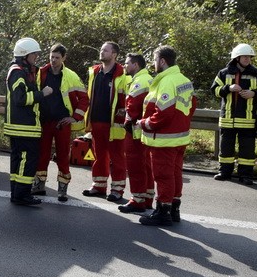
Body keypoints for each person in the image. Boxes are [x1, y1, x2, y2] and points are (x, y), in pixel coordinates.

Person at [135, 45, 195, 226]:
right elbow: (191, 107)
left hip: (164, 138)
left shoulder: (167, 81)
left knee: (163, 176)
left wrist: (145, 123)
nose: (153, 64)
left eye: (154, 60)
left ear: (162, 61)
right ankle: (174, 208)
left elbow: (163, 113)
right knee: (175, 174)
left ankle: (163, 212)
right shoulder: (183, 79)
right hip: (179, 137)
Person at [32, 43, 88, 202]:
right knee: (42, 155)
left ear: (64, 58)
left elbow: (84, 99)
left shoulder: (71, 76)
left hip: (62, 123)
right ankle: (39, 185)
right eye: (52, 57)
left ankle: (62, 189)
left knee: (63, 156)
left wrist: (75, 117)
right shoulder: (41, 73)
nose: (54, 60)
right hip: (44, 121)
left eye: (57, 57)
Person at [209, 44, 257, 186]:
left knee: (247, 150)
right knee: (226, 148)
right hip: (227, 119)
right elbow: (214, 90)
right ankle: (225, 172)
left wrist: (254, 93)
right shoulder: (224, 73)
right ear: (237, 58)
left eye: (249, 57)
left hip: (247, 120)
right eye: (244, 56)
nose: (247, 59)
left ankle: (246, 175)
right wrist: (227, 88)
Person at [5, 37, 53, 206]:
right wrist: (42, 94)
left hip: (22, 126)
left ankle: (17, 194)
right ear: (24, 55)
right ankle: (22, 195)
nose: (36, 58)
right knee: (27, 160)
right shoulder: (18, 72)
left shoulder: (23, 71)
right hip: (23, 126)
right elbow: (20, 99)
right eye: (34, 54)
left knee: (19, 161)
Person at [83, 41, 129, 202]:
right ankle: (99, 185)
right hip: (96, 121)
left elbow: (127, 100)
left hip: (114, 124)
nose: (102, 52)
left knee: (117, 157)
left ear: (114, 54)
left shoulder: (123, 75)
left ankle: (117, 189)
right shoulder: (95, 72)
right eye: (101, 49)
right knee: (99, 156)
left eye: (105, 50)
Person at [118, 53, 156, 214]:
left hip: (135, 130)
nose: (125, 66)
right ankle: (147, 198)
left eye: (127, 63)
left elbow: (133, 107)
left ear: (136, 65)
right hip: (146, 129)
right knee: (146, 164)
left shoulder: (139, 82)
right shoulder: (149, 79)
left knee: (135, 165)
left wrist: (128, 122)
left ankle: (137, 200)